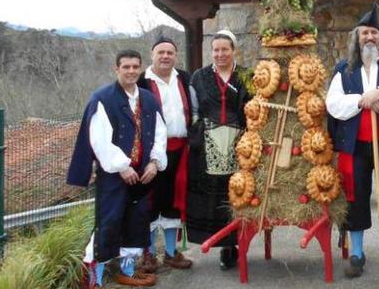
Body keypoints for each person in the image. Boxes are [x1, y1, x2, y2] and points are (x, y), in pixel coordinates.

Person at [326, 3, 379, 279]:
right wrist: (363, 100)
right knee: (356, 197)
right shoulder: (344, 69)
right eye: (365, 33)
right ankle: (357, 253)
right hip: (355, 147)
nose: (370, 38)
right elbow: (333, 104)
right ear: (357, 37)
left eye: (374, 33)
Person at [67, 50, 167, 287]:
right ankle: (94, 278)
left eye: (135, 67)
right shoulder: (103, 98)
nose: (131, 71)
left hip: (142, 174)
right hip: (114, 176)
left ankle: (128, 271)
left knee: (136, 222)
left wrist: (154, 162)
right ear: (116, 69)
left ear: (140, 68)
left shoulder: (148, 99)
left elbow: (160, 134)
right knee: (109, 222)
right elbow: (99, 139)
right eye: (126, 67)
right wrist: (122, 167)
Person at [187, 30, 251, 269]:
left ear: (233, 50)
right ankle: (219, 243)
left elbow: (254, 107)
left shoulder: (246, 76)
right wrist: (199, 130)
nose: (220, 54)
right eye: (216, 50)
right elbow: (194, 110)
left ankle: (233, 245)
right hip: (209, 145)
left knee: (236, 193)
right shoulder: (199, 77)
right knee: (212, 196)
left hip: (240, 145)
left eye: (225, 49)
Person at [136, 36, 193, 272]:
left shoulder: (184, 78)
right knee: (149, 202)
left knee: (172, 201)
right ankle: (147, 254)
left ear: (175, 56)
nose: (165, 56)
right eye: (161, 52)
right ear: (152, 54)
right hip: (149, 154)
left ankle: (170, 252)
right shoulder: (141, 81)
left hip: (180, 151)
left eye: (170, 52)